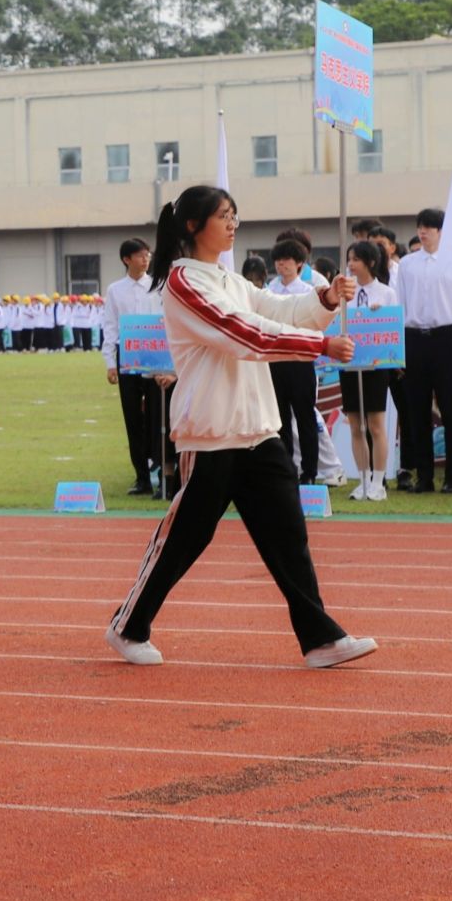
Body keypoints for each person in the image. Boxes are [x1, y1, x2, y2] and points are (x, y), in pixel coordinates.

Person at [105, 184, 375, 669]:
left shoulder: (228, 278)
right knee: (186, 537)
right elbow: (241, 334)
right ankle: (128, 625)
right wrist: (318, 346)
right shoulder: (183, 283)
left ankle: (319, 638)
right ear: (193, 225)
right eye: (223, 216)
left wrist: (326, 299)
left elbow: (275, 310)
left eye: (234, 215)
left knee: (288, 534)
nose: (232, 223)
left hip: (258, 428)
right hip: (213, 431)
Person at [394, 208, 452, 493]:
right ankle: (424, 476)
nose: (423, 232)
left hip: (444, 337)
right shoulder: (408, 264)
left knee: (450, 409)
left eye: (429, 227)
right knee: (417, 411)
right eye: (420, 227)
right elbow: (400, 305)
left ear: (441, 231)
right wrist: (398, 350)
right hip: (413, 337)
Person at [102, 238, 164, 497]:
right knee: (132, 417)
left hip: (154, 355)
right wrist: (110, 362)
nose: (145, 259)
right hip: (126, 356)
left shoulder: (157, 285)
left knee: (156, 415)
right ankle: (141, 477)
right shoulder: (116, 290)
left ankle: (161, 468)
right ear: (126, 259)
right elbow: (110, 326)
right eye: (140, 255)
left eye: (147, 255)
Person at [341, 241, 398, 502]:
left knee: (376, 424)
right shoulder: (344, 294)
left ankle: (378, 481)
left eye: (356, 259)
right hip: (350, 363)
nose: (351, 264)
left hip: (375, 366)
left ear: (370, 262)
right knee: (356, 425)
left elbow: (393, 329)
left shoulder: (386, 293)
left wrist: (380, 314)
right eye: (349, 259)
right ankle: (362, 480)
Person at [264, 240, 323, 483]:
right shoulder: (269, 289)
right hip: (275, 359)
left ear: (299, 263)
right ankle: (284, 470)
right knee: (278, 419)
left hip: (301, 359)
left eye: (287, 260)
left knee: (305, 416)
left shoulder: (307, 291)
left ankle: (309, 472)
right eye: (278, 260)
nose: (282, 265)